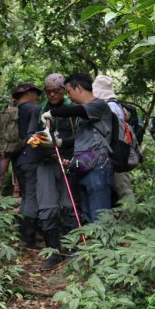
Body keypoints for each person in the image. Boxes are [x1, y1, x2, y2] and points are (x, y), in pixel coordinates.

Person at [41, 73, 114, 223]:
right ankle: (91, 246)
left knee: (100, 217)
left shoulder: (99, 105)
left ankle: (103, 246)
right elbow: (82, 139)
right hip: (84, 168)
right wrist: (61, 143)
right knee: (87, 216)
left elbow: (73, 111)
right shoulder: (84, 112)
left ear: (79, 88)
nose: (69, 96)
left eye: (69, 92)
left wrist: (52, 113)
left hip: (99, 169)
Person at [34, 73, 80, 270]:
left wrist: (66, 150)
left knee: (70, 206)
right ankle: (53, 251)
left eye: (56, 91)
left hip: (69, 162)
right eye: (48, 91)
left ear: (64, 90)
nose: (52, 95)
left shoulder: (73, 109)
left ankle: (73, 249)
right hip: (47, 162)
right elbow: (31, 134)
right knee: (47, 208)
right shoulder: (41, 110)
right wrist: (39, 142)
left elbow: (82, 136)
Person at [11, 83, 43, 249]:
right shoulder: (33, 109)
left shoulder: (12, 111)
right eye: (36, 94)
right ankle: (29, 238)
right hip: (31, 158)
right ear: (29, 94)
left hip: (17, 159)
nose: (37, 97)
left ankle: (24, 233)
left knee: (25, 196)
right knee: (32, 196)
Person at [93, 75, 135, 202]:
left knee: (123, 191)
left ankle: (131, 217)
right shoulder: (118, 106)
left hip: (115, 155)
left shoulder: (110, 107)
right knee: (119, 192)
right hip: (119, 154)